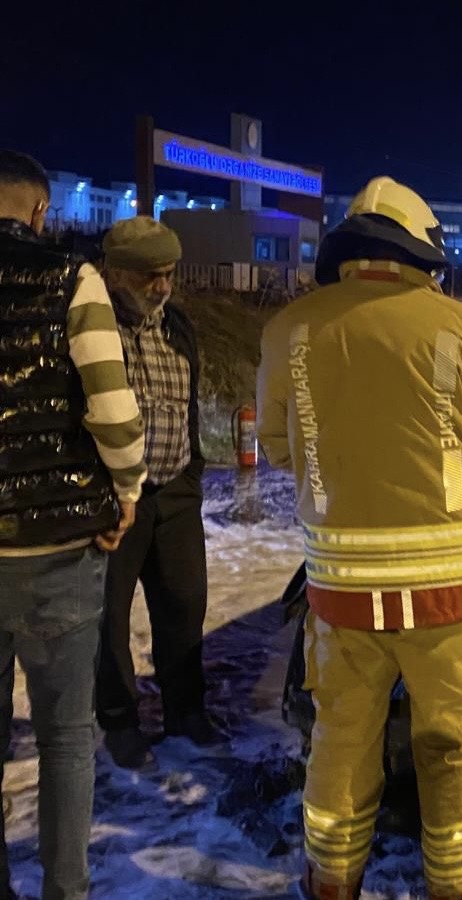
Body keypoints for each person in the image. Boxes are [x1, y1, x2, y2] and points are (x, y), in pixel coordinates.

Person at [258, 177, 462, 900]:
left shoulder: (289, 330)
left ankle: (331, 880)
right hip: (452, 595)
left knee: (340, 741)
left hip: (342, 594)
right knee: (452, 744)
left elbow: (280, 449)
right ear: (423, 253)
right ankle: (459, 885)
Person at [0, 149, 146, 900]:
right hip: (56, 546)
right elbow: (111, 407)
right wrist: (128, 491)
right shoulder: (71, 277)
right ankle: (66, 889)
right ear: (38, 211)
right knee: (63, 737)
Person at [94, 217, 215, 770]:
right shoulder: (92, 327)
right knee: (109, 619)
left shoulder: (177, 326)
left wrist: (192, 474)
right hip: (114, 501)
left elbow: (188, 407)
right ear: (115, 272)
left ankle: (186, 711)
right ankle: (119, 721)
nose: (162, 287)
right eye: (150, 276)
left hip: (176, 492)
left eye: (169, 274)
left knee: (185, 607)